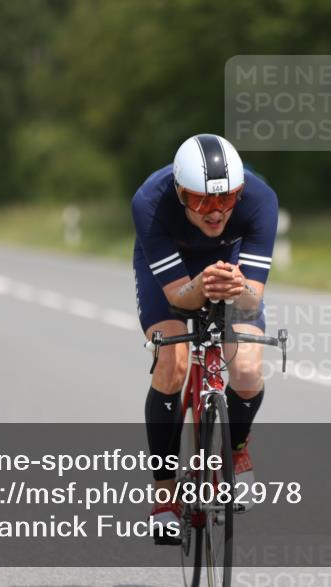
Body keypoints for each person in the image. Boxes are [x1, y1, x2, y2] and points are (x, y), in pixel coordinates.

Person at [132, 134, 278, 544]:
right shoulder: (150, 203)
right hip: (174, 272)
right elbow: (179, 297)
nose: (215, 212)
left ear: (241, 192)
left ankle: (235, 449)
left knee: (247, 370)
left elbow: (252, 298)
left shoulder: (260, 200)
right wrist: (200, 286)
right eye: (201, 201)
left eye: (226, 200)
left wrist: (234, 286)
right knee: (172, 361)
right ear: (180, 193)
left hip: (227, 265)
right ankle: (165, 498)